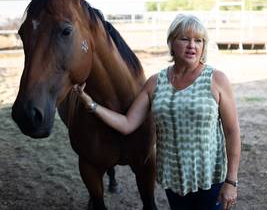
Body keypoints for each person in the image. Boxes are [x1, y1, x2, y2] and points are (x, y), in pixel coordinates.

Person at [75, 14, 241, 210]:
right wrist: (92, 105)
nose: (192, 46)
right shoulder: (155, 82)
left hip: (210, 178)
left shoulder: (217, 79)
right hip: (174, 179)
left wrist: (231, 181)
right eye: (185, 39)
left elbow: (232, 132)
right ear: (171, 42)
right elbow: (128, 124)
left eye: (199, 40)